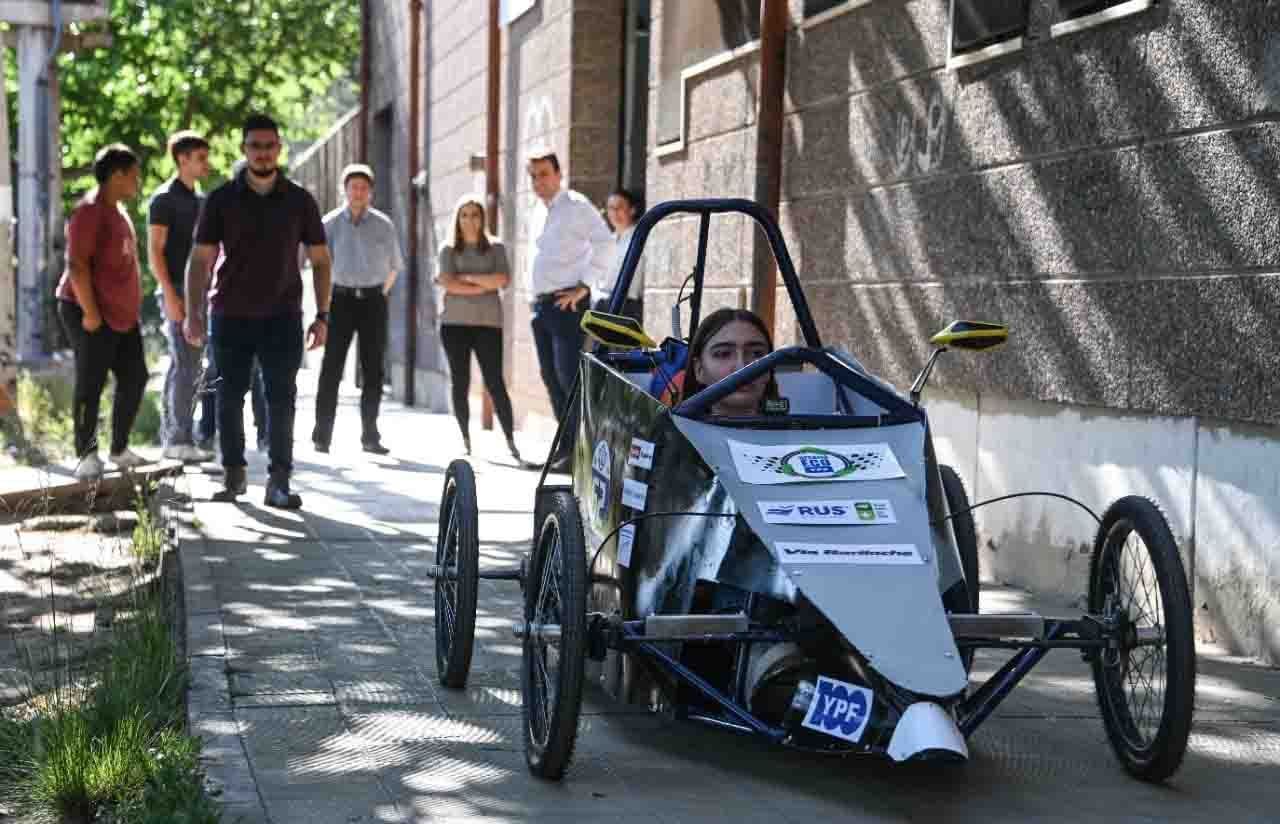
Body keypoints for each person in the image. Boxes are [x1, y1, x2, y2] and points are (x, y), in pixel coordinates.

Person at [184, 113, 332, 508]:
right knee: (230, 396)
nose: (263, 153)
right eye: (255, 146)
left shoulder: (300, 200)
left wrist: (323, 315)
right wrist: (193, 313)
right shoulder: (220, 199)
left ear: (279, 149)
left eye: (269, 146)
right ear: (244, 149)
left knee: (282, 397)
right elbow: (199, 261)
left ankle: (279, 483)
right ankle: (233, 477)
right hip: (229, 314)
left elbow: (320, 260)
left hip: (283, 315)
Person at [56, 144, 150, 480]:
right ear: (117, 175)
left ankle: (119, 449)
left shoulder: (118, 210)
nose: (138, 182)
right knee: (91, 382)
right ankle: (86, 454)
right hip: (89, 310)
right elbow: (76, 264)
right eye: (134, 176)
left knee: (135, 376)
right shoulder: (90, 211)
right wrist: (91, 313)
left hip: (122, 315)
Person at [526, 150, 613, 473]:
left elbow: (606, 243)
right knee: (550, 378)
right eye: (533, 175)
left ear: (559, 174)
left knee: (568, 378)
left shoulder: (576, 206)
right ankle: (566, 451)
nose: (538, 181)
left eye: (544, 174)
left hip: (567, 306)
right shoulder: (537, 209)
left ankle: (581, 453)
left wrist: (585, 287)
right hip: (541, 306)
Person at [311, 163, 402, 455]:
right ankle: (322, 435)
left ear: (370, 192)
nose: (358, 192)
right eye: (353, 187)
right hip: (340, 300)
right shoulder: (330, 224)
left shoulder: (383, 225)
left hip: (374, 301)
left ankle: (370, 435)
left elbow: (394, 267)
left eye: (364, 187)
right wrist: (322, 306)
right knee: (332, 367)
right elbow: (319, 266)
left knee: (373, 369)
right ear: (345, 190)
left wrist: (378, 293)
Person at [436, 195, 521, 462]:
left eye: (475, 214)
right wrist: (483, 285)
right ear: (457, 219)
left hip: (488, 324)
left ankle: (510, 440)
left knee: (494, 381)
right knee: (459, 381)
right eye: (464, 214)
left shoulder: (495, 248)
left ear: (482, 218)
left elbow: (502, 279)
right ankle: (465, 439)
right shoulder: (448, 249)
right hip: (454, 324)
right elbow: (448, 283)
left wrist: (468, 279)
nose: (470, 220)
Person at [148, 130, 213, 464]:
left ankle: (175, 436)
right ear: (182, 159)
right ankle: (178, 438)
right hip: (174, 291)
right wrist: (171, 296)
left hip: (200, 295)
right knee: (185, 363)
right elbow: (155, 252)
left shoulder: (201, 202)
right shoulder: (163, 199)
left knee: (188, 365)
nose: (206, 164)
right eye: (200, 157)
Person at [678, 308, 779, 417]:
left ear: (769, 368)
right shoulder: (671, 432)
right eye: (723, 354)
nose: (742, 367)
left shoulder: (795, 431)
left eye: (756, 353)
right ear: (699, 370)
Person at [596, 188, 645, 323]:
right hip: (604, 304)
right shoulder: (608, 240)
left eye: (619, 207)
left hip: (628, 306)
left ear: (632, 210)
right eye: (611, 208)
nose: (614, 212)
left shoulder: (639, 237)